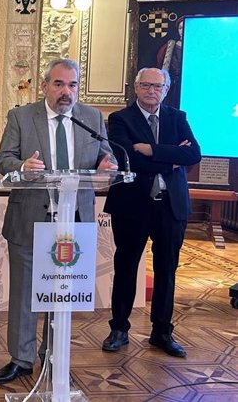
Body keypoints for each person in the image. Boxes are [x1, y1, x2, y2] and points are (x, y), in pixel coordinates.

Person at [0, 58, 116, 384]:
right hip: (31, 217)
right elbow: (3, 159)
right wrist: (23, 166)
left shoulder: (91, 118)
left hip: (73, 223)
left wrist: (108, 164)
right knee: (25, 293)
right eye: (59, 84)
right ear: (44, 85)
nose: (66, 92)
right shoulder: (21, 117)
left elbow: (107, 156)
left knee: (61, 293)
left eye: (72, 85)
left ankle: (53, 355)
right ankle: (21, 358)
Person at [102, 67, 201, 358]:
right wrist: (171, 157)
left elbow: (193, 153)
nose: (151, 91)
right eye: (145, 85)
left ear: (166, 89)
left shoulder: (177, 118)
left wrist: (152, 150)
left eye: (157, 86)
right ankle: (119, 328)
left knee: (167, 270)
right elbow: (127, 159)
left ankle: (162, 332)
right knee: (126, 266)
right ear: (136, 87)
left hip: (171, 206)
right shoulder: (120, 119)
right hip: (132, 205)